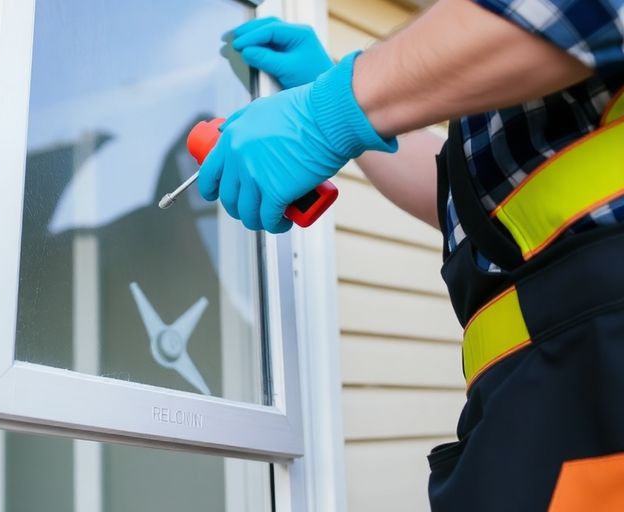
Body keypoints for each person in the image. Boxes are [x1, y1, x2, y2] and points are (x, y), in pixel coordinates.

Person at [197, 0, 624, 510]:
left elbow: (568, 13)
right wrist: (335, 98)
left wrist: (327, 112)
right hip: (538, 394)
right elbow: (458, 205)